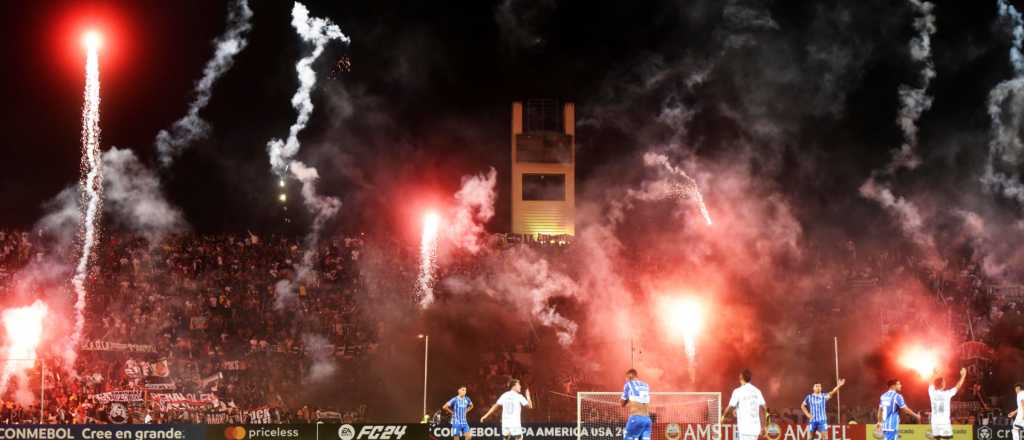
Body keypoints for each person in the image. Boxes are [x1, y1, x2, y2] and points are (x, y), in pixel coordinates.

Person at [721, 369, 767, 440]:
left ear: (741, 378)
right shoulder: (757, 391)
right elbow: (765, 408)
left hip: (744, 429)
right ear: (750, 379)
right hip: (755, 429)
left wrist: (723, 417)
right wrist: (766, 425)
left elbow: (730, 407)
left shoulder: (738, 391)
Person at [928, 368, 966, 440]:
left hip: (934, 422)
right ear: (942, 384)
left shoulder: (932, 392)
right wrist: (963, 375)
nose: (945, 383)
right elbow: (958, 386)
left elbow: (930, 382)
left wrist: (934, 373)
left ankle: (932, 437)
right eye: (944, 382)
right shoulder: (947, 394)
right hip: (944, 423)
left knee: (938, 439)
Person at [620, 369, 651, 440]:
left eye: (626, 378)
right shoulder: (646, 385)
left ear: (630, 376)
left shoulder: (628, 385)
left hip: (636, 418)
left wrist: (628, 398)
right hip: (647, 419)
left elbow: (622, 403)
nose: (626, 380)